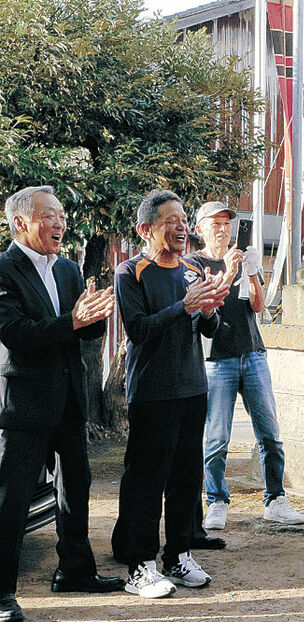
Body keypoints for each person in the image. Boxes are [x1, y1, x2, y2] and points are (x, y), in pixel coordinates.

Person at [0, 187, 124, 622]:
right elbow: (18, 334)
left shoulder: (70, 270)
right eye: (49, 215)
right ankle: (2, 596)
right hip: (25, 403)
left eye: (63, 214)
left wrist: (94, 319)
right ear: (20, 222)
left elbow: (81, 335)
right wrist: (72, 320)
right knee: (11, 500)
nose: (61, 223)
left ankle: (75, 569)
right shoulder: (4, 269)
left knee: (78, 486)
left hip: (71, 398)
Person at [111, 190, 229, 599]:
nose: (181, 228)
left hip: (193, 387)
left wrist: (210, 310)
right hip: (153, 393)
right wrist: (185, 305)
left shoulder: (192, 268)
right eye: (171, 221)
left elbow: (210, 330)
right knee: (147, 479)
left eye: (183, 220)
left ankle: (178, 555)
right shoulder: (131, 271)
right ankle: (140, 566)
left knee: (185, 477)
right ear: (146, 229)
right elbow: (138, 330)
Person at [189, 202, 304, 535]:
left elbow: (258, 305)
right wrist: (228, 271)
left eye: (228, 223)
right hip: (216, 358)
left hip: (252, 351)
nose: (224, 229)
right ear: (201, 228)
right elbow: (204, 305)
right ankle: (217, 501)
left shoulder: (242, 258)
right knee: (216, 437)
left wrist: (252, 272)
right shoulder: (195, 263)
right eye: (216, 223)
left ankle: (276, 500)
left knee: (270, 433)